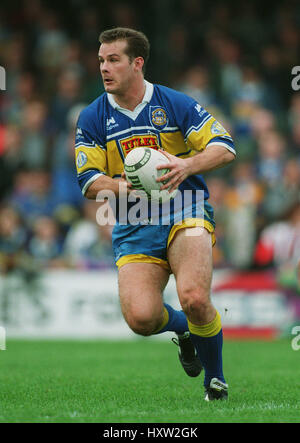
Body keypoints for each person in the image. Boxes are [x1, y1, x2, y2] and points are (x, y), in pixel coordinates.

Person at [75, 27, 236, 401]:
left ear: (137, 63)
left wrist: (187, 165)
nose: (104, 68)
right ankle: (184, 331)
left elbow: (225, 146)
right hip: (133, 220)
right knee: (141, 319)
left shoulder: (174, 103)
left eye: (113, 59)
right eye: (101, 60)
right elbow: (87, 180)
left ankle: (216, 382)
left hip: (186, 209)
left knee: (195, 296)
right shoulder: (91, 117)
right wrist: (123, 187)